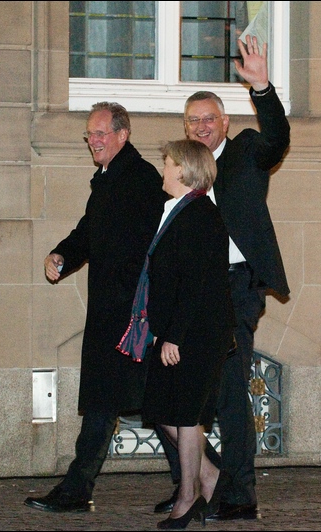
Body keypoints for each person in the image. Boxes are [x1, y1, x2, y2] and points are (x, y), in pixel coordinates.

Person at [153, 34, 291, 522]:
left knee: (230, 391)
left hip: (235, 291)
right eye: (193, 121)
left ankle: (239, 494)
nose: (202, 127)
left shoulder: (247, 152)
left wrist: (262, 88)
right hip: (192, 296)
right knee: (175, 395)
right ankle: (195, 482)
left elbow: (277, 138)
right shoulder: (182, 173)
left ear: (225, 123)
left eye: (210, 119)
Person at [24, 102, 168, 513]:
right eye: (89, 134)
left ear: (123, 135)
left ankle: (204, 481)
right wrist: (62, 256)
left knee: (147, 405)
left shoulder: (139, 179)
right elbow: (89, 232)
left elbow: (146, 248)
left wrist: (131, 304)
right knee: (126, 403)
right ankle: (79, 486)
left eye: (101, 133)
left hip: (128, 315)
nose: (94, 141)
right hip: (113, 312)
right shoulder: (109, 178)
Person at [122, 139, 235, 529]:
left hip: (196, 334)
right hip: (180, 330)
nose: (164, 170)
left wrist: (174, 336)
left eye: (168, 163)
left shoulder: (201, 215)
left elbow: (196, 284)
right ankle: (211, 476)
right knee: (161, 408)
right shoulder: (177, 210)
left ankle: (188, 499)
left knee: (186, 415)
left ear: (185, 170)